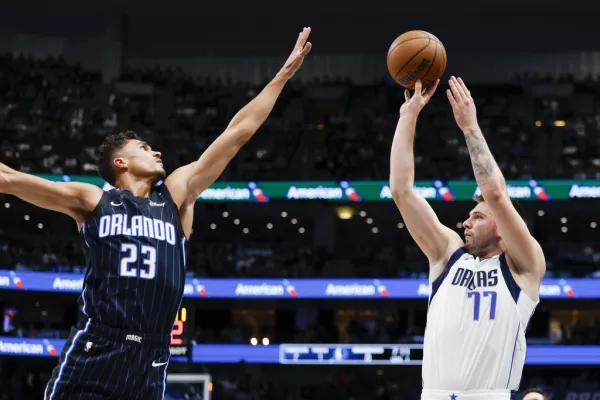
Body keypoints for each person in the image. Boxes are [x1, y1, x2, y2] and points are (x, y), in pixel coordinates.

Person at [0, 27, 312, 400]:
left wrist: (281, 78)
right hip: (98, 347)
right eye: (144, 147)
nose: (157, 151)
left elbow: (236, 134)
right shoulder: (94, 199)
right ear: (120, 163)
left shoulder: (176, 196)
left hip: (152, 356)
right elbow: (10, 178)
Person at [389, 77, 546, 400]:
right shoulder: (447, 255)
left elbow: (496, 194)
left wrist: (470, 127)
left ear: (501, 228)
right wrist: (408, 115)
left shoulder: (524, 267)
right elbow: (401, 191)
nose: (466, 222)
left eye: (478, 216)